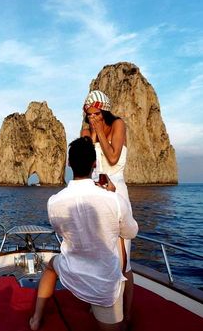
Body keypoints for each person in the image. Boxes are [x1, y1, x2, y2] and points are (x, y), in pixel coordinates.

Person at [30, 136, 138, 331]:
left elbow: (59, 229)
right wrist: (113, 194)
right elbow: (131, 232)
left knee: (50, 266)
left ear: (69, 163)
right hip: (104, 284)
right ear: (94, 164)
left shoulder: (54, 202)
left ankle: (36, 319)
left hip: (72, 271)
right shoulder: (114, 200)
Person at [81, 90, 134, 324]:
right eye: (89, 114)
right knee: (99, 255)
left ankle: (126, 315)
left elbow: (112, 158)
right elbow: (87, 159)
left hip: (117, 192)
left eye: (96, 113)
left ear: (105, 110)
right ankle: (99, 305)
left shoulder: (118, 124)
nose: (93, 117)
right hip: (96, 193)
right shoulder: (87, 129)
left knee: (124, 261)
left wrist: (101, 131)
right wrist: (92, 131)